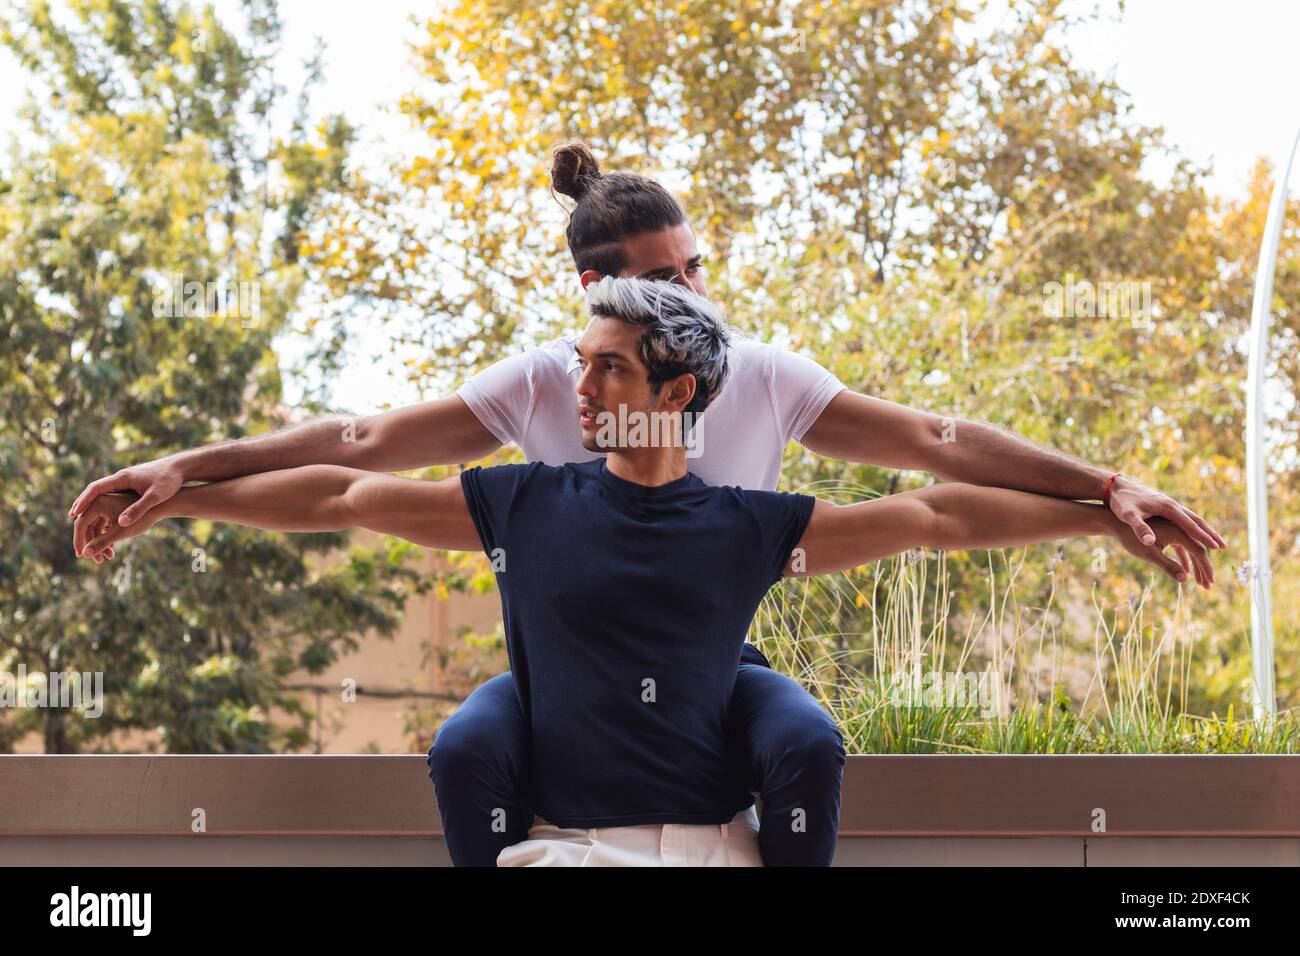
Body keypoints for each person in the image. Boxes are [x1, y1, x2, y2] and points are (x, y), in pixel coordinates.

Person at [69, 144, 1225, 866]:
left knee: (806, 736)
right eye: (660, 280)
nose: (690, 293)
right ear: (597, 293)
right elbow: (353, 464)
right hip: (560, 653)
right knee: (469, 740)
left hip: (718, 642)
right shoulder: (544, 402)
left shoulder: (757, 382)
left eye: (694, 268)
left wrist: (1103, 494)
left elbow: (935, 475)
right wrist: (185, 478)